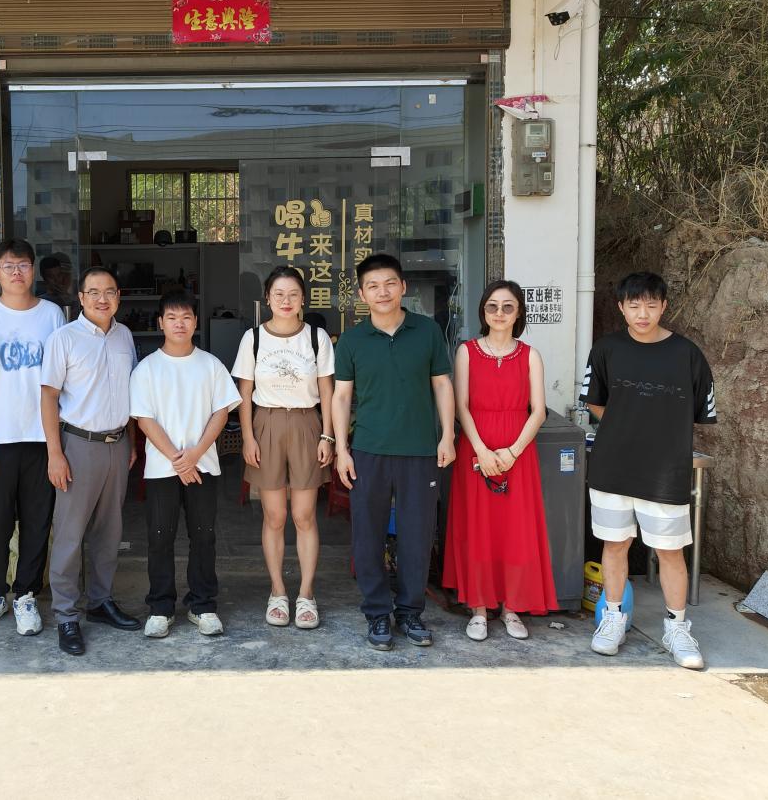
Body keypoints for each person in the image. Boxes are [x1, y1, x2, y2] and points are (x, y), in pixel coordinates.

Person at [581, 271, 717, 670]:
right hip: (613, 466)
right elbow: (595, 401)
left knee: (670, 551)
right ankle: (613, 619)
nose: (643, 313)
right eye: (634, 305)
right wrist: (624, 424)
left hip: (665, 469)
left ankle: (676, 628)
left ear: (664, 307)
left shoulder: (687, 354)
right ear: (621, 307)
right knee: (615, 544)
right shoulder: (606, 349)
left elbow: (699, 411)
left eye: (651, 305)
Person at [332, 253, 456, 651]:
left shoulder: (427, 331)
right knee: (367, 534)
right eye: (373, 286)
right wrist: (341, 449)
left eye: (389, 283)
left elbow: (442, 384)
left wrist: (447, 435)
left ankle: (410, 612)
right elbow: (341, 397)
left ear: (403, 287)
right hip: (368, 449)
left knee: (417, 535)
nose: (382, 292)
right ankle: (376, 613)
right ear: (362, 294)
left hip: (420, 450)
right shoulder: (352, 340)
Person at [0, 238, 66, 636]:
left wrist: (56, 447)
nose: (16, 272)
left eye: (23, 265)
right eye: (8, 266)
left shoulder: (52, 315)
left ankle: (25, 596)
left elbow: (62, 379)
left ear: (33, 270)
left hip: (42, 439)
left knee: (37, 523)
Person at [442, 280, 557, 641]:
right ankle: (478, 607)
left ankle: (511, 607)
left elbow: (538, 411)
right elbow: (460, 406)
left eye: (508, 306)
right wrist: (481, 450)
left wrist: (511, 452)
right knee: (477, 528)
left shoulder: (530, 355)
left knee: (514, 531)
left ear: (518, 312)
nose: (500, 313)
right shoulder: (467, 352)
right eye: (492, 306)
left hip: (517, 451)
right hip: (476, 448)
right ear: (483, 311)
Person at [40, 266, 142, 656]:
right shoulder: (63, 339)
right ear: (81, 298)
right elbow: (48, 397)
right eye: (94, 292)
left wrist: (131, 440)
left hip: (117, 443)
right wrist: (55, 453)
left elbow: (127, 391)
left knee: (109, 532)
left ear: (119, 296)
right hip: (77, 446)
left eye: (110, 292)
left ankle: (100, 601)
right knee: (70, 535)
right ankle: (67, 615)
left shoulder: (125, 336)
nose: (102, 299)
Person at [131, 290, 241, 639]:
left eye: (186, 317)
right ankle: (160, 608)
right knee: (159, 538)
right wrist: (179, 460)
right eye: (172, 318)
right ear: (160, 323)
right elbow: (144, 419)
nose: (179, 324)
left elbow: (221, 412)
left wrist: (194, 455)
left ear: (195, 322)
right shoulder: (147, 368)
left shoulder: (210, 365)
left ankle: (203, 605)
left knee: (203, 536)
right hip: (162, 469)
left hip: (202, 465)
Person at [232, 265, 335, 630]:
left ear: (303, 298)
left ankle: (306, 594)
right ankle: (277, 591)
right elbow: (244, 392)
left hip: (307, 423)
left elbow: (328, 392)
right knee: (274, 516)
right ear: (267, 299)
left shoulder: (316, 338)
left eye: (293, 294)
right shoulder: (253, 338)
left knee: (304, 516)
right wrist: (247, 437)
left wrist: (328, 436)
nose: (286, 301)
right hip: (267, 423)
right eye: (279, 294)